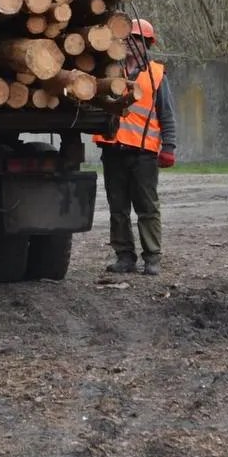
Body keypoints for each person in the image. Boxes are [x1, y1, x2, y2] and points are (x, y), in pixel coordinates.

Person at [92, 18, 177, 276]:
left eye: (137, 39)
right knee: (118, 208)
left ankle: (152, 257)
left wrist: (169, 147)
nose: (130, 44)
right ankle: (124, 257)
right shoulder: (109, 71)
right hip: (113, 149)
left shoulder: (156, 74)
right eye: (127, 39)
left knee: (147, 207)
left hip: (143, 153)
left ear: (146, 44)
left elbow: (167, 115)